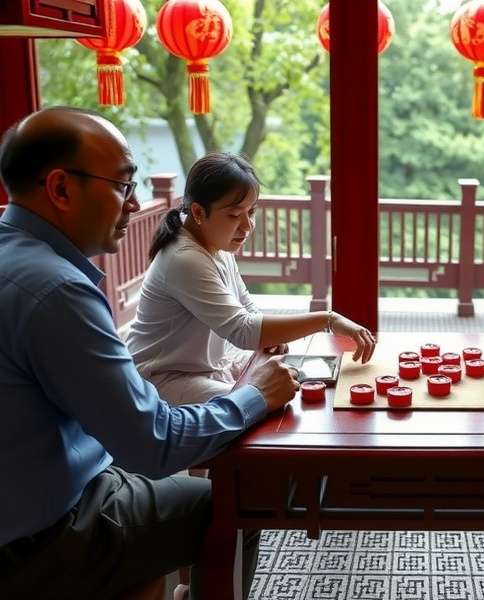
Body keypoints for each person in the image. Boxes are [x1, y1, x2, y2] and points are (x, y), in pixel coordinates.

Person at [0, 107, 300, 599]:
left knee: (149, 533)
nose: (135, 204)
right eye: (122, 186)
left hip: (42, 492)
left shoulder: (17, 257)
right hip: (41, 534)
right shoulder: (55, 290)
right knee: (231, 507)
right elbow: (153, 443)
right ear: (60, 188)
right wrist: (255, 396)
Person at [126, 152, 376, 406]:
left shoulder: (212, 242)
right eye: (234, 215)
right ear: (198, 212)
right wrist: (328, 319)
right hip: (162, 381)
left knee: (282, 383)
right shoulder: (184, 258)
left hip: (203, 370)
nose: (247, 226)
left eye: (251, 212)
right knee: (262, 402)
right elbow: (243, 330)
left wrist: (271, 337)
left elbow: (246, 306)